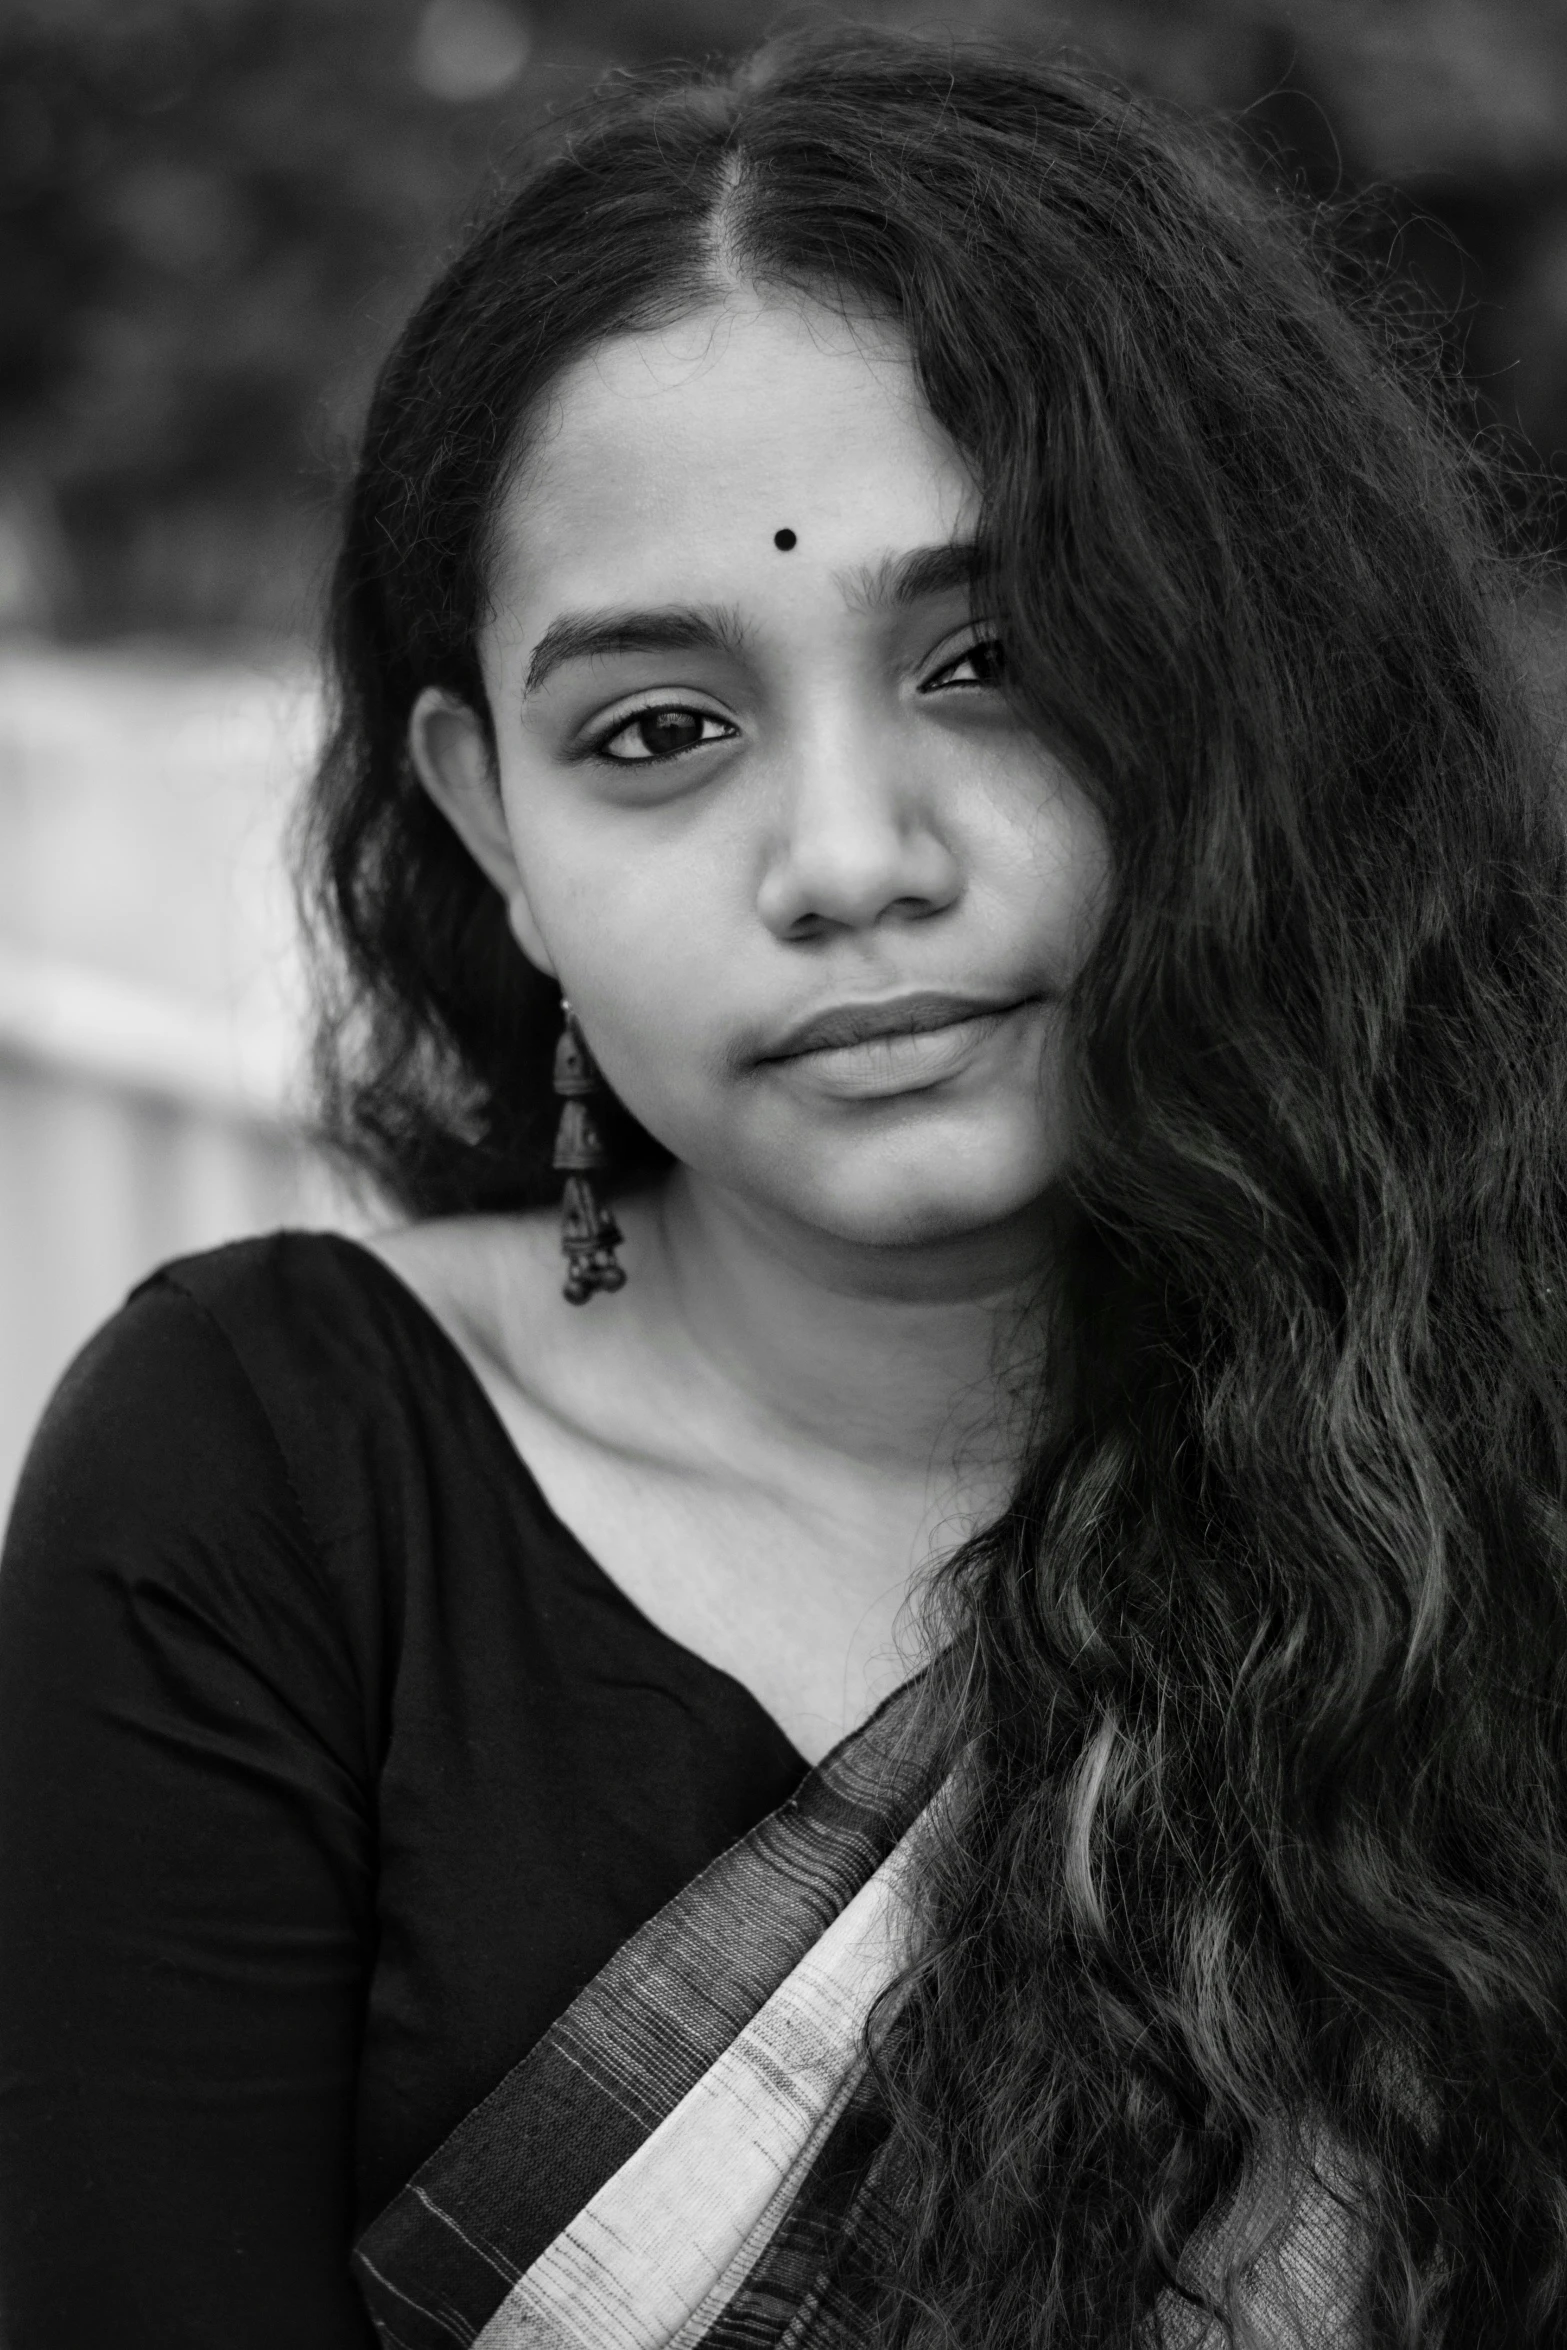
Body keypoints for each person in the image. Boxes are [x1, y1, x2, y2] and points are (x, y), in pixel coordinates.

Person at [2, 24, 1566, 2348]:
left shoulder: (1505, 1469)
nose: (847, 862)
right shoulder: (265, 1493)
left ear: (1261, 685)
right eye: (658, 732)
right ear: (488, 825)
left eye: (1001, 661)